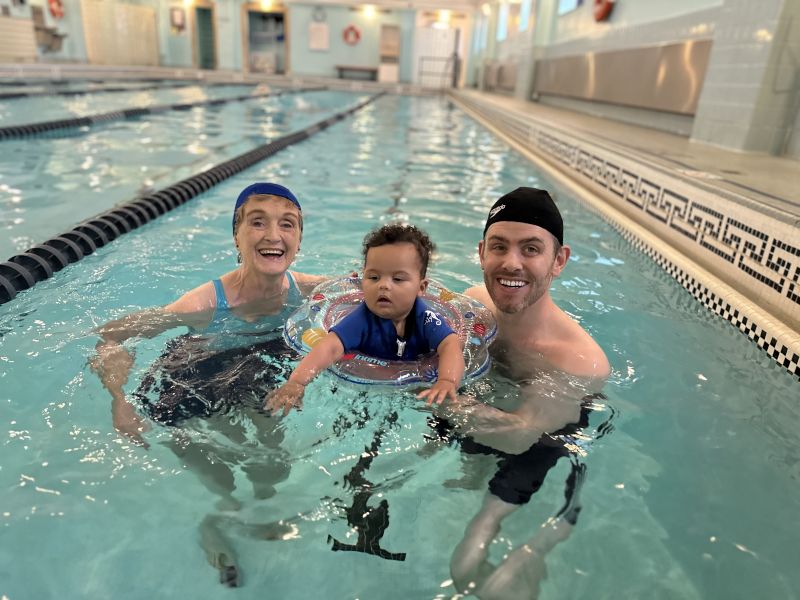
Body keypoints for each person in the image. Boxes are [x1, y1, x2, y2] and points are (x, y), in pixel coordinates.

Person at [91, 182, 326, 586]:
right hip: (196, 378)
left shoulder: (307, 290)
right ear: (236, 235)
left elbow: (374, 287)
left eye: (287, 224)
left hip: (257, 371)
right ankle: (221, 515)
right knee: (220, 471)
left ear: (299, 240)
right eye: (258, 223)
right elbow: (110, 335)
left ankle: (263, 513)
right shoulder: (202, 304)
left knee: (273, 462)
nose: (274, 235)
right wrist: (119, 398)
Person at [434, 187, 611, 599]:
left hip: (545, 438)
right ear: (481, 252)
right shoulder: (474, 305)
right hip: (486, 410)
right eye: (499, 247)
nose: (511, 263)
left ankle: (540, 541)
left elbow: (520, 435)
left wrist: (430, 392)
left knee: (466, 561)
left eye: (531, 249)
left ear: (559, 261)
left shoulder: (580, 360)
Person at [266, 224, 465, 414]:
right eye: (374, 277)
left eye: (397, 279)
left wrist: (447, 380)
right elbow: (330, 347)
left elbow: (450, 344)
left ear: (421, 288)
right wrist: (297, 382)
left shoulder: (426, 318)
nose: (384, 285)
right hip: (369, 383)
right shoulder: (361, 320)